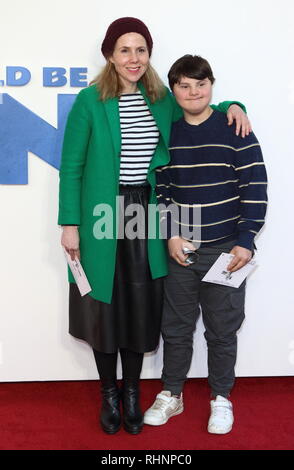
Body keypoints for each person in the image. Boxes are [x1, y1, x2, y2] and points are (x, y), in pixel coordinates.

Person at [58, 18, 250, 435]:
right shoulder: (90, 100)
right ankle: (109, 393)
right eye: (124, 50)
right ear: (110, 54)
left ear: (149, 55)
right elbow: (71, 168)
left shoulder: (160, 98)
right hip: (101, 213)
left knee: (141, 304)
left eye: (140, 49)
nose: (133, 58)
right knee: (104, 305)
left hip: (147, 211)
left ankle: (132, 392)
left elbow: (202, 106)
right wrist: (69, 223)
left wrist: (236, 107)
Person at [144, 54, 267, 434]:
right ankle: (173, 393)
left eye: (200, 84)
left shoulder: (236, 128)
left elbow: (256, 186)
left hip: (227, 250)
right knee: (176, 327)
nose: (193, 92)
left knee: (222, 328)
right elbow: (161, 189)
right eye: (184, 85)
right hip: (184, 249)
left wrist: (246, 240)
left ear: (212, 85)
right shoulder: (170, 133)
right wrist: (170, 235)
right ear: (174, 90)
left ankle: (221, 398)